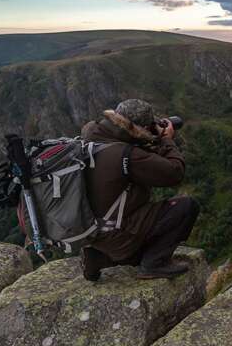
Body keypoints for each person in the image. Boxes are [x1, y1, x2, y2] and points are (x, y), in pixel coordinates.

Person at [78, 99, 200, 281]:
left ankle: (99, 257)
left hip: (93, 231)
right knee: (186, 207)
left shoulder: (92, 137)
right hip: (118, 233)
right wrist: (166, 140)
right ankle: (154, 263)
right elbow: (174, 173)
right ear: (141, 127)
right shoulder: (126, 155)